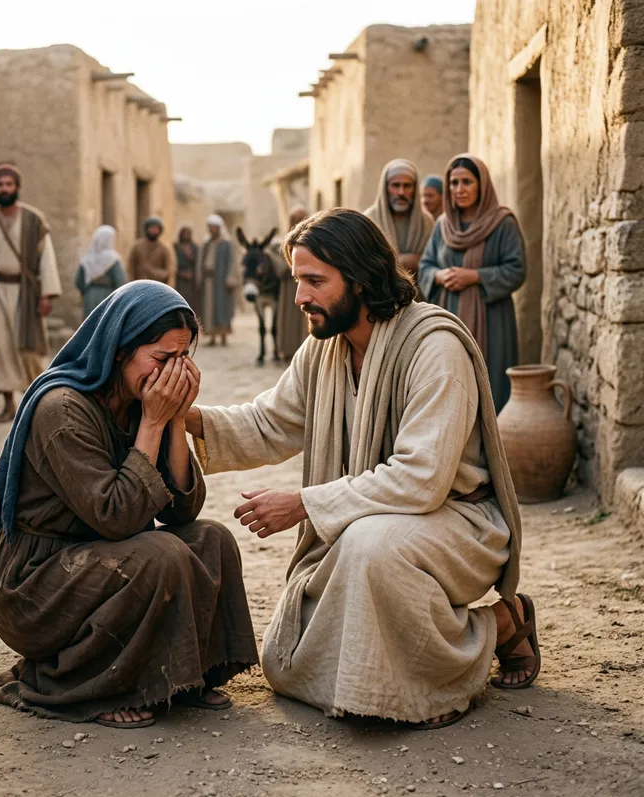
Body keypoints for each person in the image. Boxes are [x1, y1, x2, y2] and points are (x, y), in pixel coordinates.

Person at [185, 208, 541, 729]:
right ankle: (394, 669)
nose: (300, 296)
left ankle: (496, 630)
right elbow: (268, 421)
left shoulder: (433, 347)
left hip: (459, 523)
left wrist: (304, 503)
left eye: (314, 281)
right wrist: (185, 417)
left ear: (358, 277)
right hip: (369, 524)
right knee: (284, 662)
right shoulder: (323, 350)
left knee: (370, 545)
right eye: (296, 280)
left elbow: (422, 478)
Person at [0, 280, 258, 728]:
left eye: (183, 358)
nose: (173, 371)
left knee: (212, 540)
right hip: (35, 585)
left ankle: (188, 677)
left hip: (101, 561)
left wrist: (171, 421)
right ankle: (91, 685)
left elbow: (182, 512)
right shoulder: (63, 409)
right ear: (119, 350)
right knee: (161, 554)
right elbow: (117, 517)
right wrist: (152, 420)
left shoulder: (136, 401)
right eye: (162, 358)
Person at [418, 155, 526, 413]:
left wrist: (475, 276)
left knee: (491, 382)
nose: (459, 189)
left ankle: (489, 448)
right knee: (449, 377)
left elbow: (517, 269)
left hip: (492, 321)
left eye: (467, 182)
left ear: (482, 185)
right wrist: (439, 276)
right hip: (450, 315)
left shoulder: (502, 223)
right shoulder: (443, 226)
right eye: (454, 183)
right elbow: (425, 265)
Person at [0, 164, 62, 424]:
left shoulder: (34, 220)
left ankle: (35, 402)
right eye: (0, 185)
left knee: (29, 350)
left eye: (9, 185)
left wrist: (47, 294)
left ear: (17, 187)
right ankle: (8, 404)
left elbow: (47, 258)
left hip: (27, 293)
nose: (4, 189)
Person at [364, 158, 434, 281]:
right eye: (395, 185)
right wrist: (401, 261)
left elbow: (434, 262)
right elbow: (362, 261)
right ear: (386, 188)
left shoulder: (427, 222)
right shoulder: (369, 219)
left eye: (407, 186)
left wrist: (420, 262)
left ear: (414, 189)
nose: (401, 192)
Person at [273, 206, 309, 361]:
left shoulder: (312, 240)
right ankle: (288, 349)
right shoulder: (286, 242)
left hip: (306, 285)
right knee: (288, 319)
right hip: (289, 286)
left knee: (304, 319)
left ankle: (304, 351)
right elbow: (282, 267)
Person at [198, 214, 237, 347]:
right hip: (209, 282)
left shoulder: (226, 244)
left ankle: (223, 336)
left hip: (221, 282)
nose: (212, 230)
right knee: (210, 309)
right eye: (210, 227)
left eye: (214, 227)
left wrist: (230, 278)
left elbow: (232, 262)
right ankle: (212, 337)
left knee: (222, 308)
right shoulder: (206, 243)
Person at [75, 225, 126, 319]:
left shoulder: (87, 259)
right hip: (108, 297)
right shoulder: (113, 259)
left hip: (89, 296)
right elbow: (120, 282)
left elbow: (79, 282)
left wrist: (87, 293)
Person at [128, 216, 173, 285]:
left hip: (157, 286)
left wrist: (153, 272)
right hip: (139, 285)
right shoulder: (137, 246)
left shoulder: (164, 248)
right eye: (152, 228)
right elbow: (130, 268)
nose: (154, 230)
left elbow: (168, 271)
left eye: (156, 228)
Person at [174, 223, 199, 311]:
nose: (186, 235)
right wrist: (180, 273)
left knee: (191, 301)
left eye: (188, 233)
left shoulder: (195, 248)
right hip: (179, 279)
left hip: (192, 280)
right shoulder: (176, 247)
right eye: (184, 233)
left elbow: (197, 263)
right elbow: (173, 263)